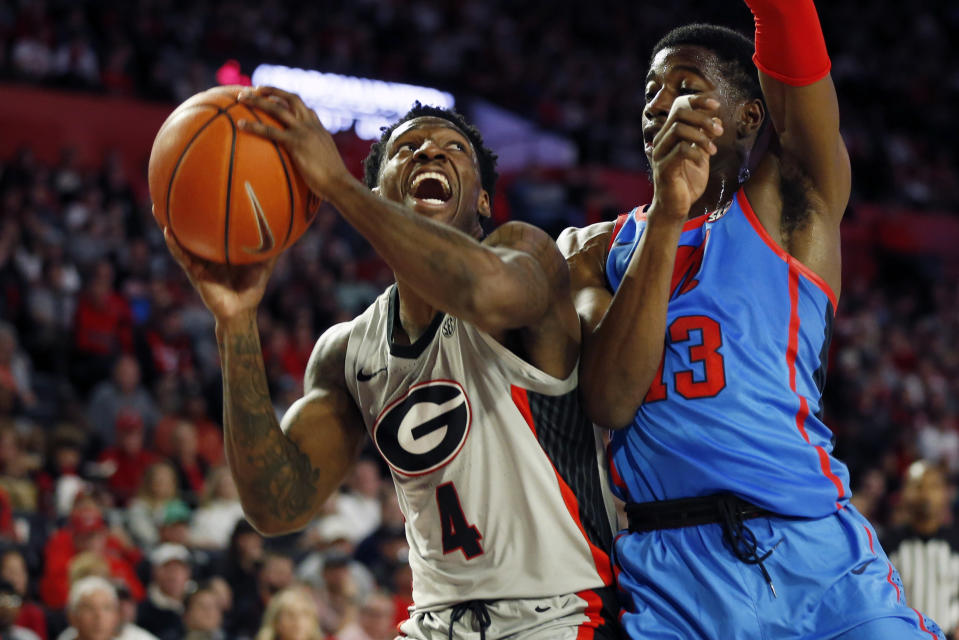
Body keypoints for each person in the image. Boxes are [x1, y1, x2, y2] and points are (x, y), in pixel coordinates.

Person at [164, 90, 618, 639]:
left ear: (481, 201)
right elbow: (277, 506)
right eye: (408, 148)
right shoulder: (348, 350)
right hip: (433, 622)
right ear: (383, 191)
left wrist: (336, 186)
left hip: (558, 614)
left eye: (453, 148)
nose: (430, 153)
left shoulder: (530, 257)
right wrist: (235, 324)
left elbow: (484, 291)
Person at [558, 0, 944, 638]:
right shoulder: (598, 251)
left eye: (687, 88)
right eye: (651, 92)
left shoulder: (792, 202)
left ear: (749, 116)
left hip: (815, 552)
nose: (661, 106)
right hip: (673, 569)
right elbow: (610, 398)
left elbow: (798, 67)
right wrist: (666, 212)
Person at [883, 461, 959, 639]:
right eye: (918, 486)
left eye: (933, 486)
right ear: (904, 493)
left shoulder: (956, 543)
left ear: (945, 493)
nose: (925, 495)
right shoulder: (888, 545)